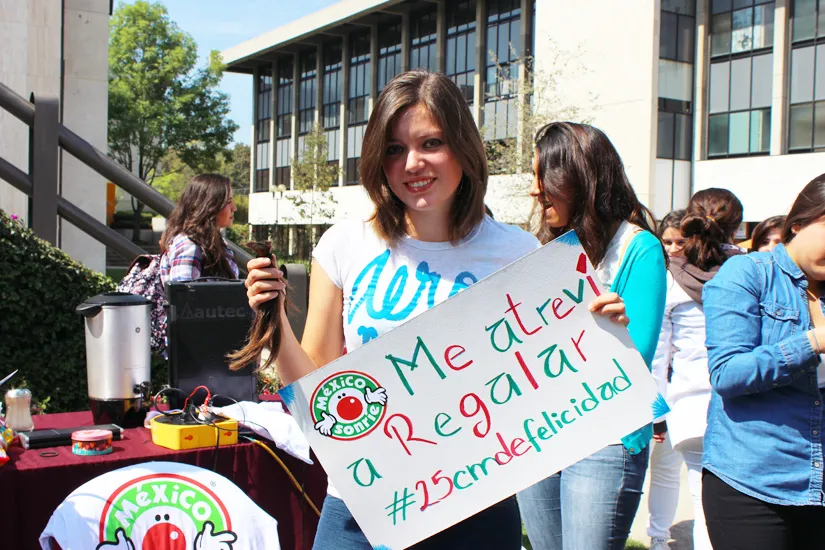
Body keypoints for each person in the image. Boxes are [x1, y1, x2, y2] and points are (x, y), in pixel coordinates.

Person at [243, 72, 629, 550]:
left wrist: (601, 336)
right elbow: (319, 391)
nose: (412, 163)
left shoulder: (517, 250)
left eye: (431, 143)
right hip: (365, 505)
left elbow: (556, 385)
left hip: (476, 503)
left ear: (463, 150)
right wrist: (274, 321)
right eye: (393, 149)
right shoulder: (344, 245)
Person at [518, 122, 668, 550]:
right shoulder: (545, 249)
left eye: (542, 178)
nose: (534, 191)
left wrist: (615, 328)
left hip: (607, 437)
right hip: (541, 434)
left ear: (578, 179)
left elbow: (636, 358)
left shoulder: (639, 249)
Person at [702, 174, 825, 550]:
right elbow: (727, 373)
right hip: (752, 482)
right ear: (799, 222)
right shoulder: (748, 273)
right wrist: (813, 342)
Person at [649, 189, 744, 550]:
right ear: (736, 226)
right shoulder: (751, 270)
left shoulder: (670, 275)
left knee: (704, 505)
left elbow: (659, 354)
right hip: (743, 403)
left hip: (691, 405)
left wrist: (656, 414)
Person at [644, 208, 687, 550]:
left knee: (668, 472)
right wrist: (656, 411)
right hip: (654, 395)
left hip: (683, 393)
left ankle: (659, 538)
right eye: (667, 241)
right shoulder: (658, 278)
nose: (673, 248)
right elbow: (657, 351)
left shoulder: (708, 280)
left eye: (680, 242)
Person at [159, 173, 239, 285]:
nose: (234, 208)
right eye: (228, 202)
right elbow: (182, 297)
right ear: (210, 205)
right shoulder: (189, 245)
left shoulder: (214, 243)